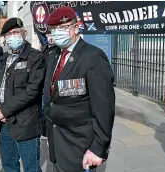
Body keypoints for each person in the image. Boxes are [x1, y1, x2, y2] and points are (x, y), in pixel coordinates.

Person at [43, 6, 116, 172]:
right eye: (54, 29)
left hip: (80, 146)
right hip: (57, 142)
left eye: (62, 27)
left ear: (76, 27)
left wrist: (99, 148)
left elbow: (104, 108)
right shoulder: (53, 55)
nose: (57, 33)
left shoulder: (92, 57)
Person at [0, 17, 45, 172]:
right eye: (8, 34)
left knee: (31, 167)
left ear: (24, 33)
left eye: (16, 32)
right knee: (8, 166)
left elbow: (32, 91)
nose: (12, 36)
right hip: (4, 123)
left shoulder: (36, 58)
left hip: (25, 123)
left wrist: (4, 109)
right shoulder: (3, 59)